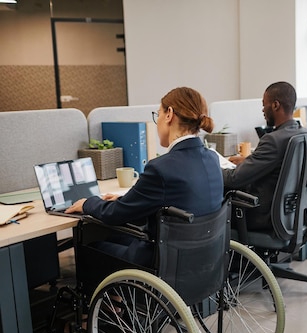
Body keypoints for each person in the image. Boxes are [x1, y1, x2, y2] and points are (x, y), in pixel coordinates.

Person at [66, 86, 224, 268]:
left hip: (164, 263)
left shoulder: (161, 168)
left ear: (169, 114)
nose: (157, 123)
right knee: (118, 237)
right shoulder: (212, 158)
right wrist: (127, 199)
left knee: (92, 246)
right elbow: (178, 201)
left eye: (158, 115)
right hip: (201, 259)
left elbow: (115, 214)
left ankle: (117, 295)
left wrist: (87, 203)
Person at [222, 81, 307, 230]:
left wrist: (210, 169)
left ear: (275, 105)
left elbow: (234, 178)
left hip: (260, 216)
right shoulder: (302, 133)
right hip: (289, 215)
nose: (262, 110)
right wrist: (248, 160)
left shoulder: (272, 140)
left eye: (264, 104)